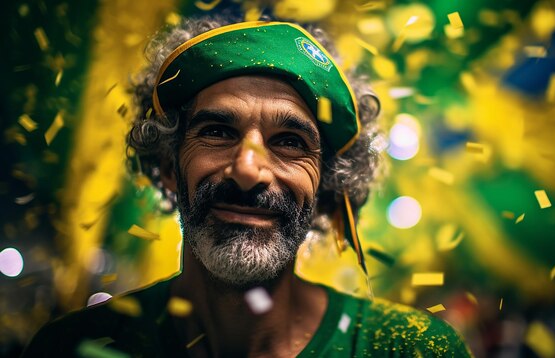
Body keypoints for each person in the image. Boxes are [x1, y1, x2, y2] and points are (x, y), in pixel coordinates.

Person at [23, 16, 472, 357]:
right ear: (167, 166)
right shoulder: (75, 346)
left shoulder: (409, 348)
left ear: (327, 189)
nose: (248, 170)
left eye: (290, 142)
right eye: (217, 132)